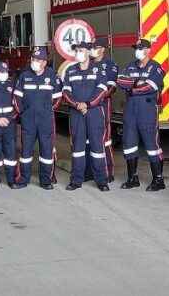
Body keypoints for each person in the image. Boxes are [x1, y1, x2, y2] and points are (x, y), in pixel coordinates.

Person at [117, 39, 165, 191]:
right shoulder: (131, 65)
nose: (137, 50)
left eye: (140, 48)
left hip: (147, 111)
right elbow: (120, 81)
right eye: (136, 48)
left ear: (148, 50)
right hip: (131, 111)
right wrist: (138, 83)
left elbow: (150, 87)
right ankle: (132, 178)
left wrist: (133, 87)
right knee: (129, 144)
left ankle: (158, 180)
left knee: (152, 145)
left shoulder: (155, 67)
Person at [62, 41, 110, 191]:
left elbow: (102, 91)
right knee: (77, 148)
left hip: (94, 113)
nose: (78, 53)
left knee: (97, 147)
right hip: (77, 113)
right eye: (76, 51)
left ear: (89, 52)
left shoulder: (99, 70)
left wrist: (87, 105)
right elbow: (65, 92)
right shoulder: (70, 71)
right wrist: (77, 105)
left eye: (81, 50)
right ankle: (76, 180)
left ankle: (101, 181)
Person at [13, 47, 62, 189]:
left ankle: (45, 180)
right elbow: (17, 97)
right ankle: (23, 179)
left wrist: (47, 111)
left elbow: (58, 99)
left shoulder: (52, 76)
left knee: (46, 151)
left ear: (45, 62)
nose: (34, 62)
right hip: (28, 120)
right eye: (33, 59)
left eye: (38, 60)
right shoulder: (24, 75)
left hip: (46, 120)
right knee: (25, 152)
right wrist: (23, 113)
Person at [89, 37, 118, 182]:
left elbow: (111, 88)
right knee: (88, 139)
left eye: (95, 47)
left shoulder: (109, 65)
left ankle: (108, 171)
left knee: (104, 139)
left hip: (102, 105)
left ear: (102, 49)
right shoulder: (86, 63)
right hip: (87, 106)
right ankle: (90, 171)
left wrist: (96, 98)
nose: (92, 50)